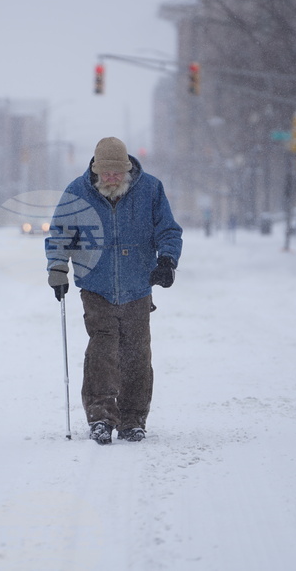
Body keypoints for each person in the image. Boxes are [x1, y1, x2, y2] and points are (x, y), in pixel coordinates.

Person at [45, 137, 182, 445]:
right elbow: (60, 234)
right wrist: (57, 268)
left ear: (127, 169)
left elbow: (168, 229)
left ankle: (133, 419)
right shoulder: (77, 192)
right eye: (105, 173)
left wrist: (167, 259)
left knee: (136, 353)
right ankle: (101, 418)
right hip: (96, 284)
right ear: (95, 169)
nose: (111, 179)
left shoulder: (150, 190)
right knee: (102, 351)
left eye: (116, 173)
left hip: (137, 284)